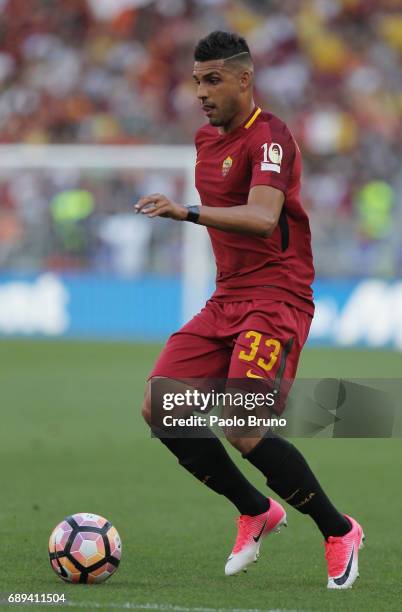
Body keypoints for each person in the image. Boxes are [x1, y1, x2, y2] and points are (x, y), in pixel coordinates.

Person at [136, 30, 364, 590]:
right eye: (196, 81)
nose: (201, 92)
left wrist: (186, 213)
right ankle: (256, 509)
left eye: (212, 79)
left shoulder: (272, 138)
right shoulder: (203, 140)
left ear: (245, 79)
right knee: (161, 408)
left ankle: (339, 531)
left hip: (276, 298)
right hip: (226, 298)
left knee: (242, 425)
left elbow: (264, 218)